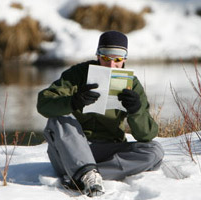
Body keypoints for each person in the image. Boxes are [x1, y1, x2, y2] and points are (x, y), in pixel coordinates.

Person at [37, 30, 164, 197]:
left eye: (118, 59)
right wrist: (73, 102)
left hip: (108, 149)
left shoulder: (131, 84)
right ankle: (85, 173)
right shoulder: (77, 75)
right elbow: (43, 104)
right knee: (59, 118)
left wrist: (136, 111)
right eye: (106, 58)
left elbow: (147, 135)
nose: (112, 65)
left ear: (125, 58)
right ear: (98, 55)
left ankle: (83, 175)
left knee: (154, 151)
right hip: (71, 151)